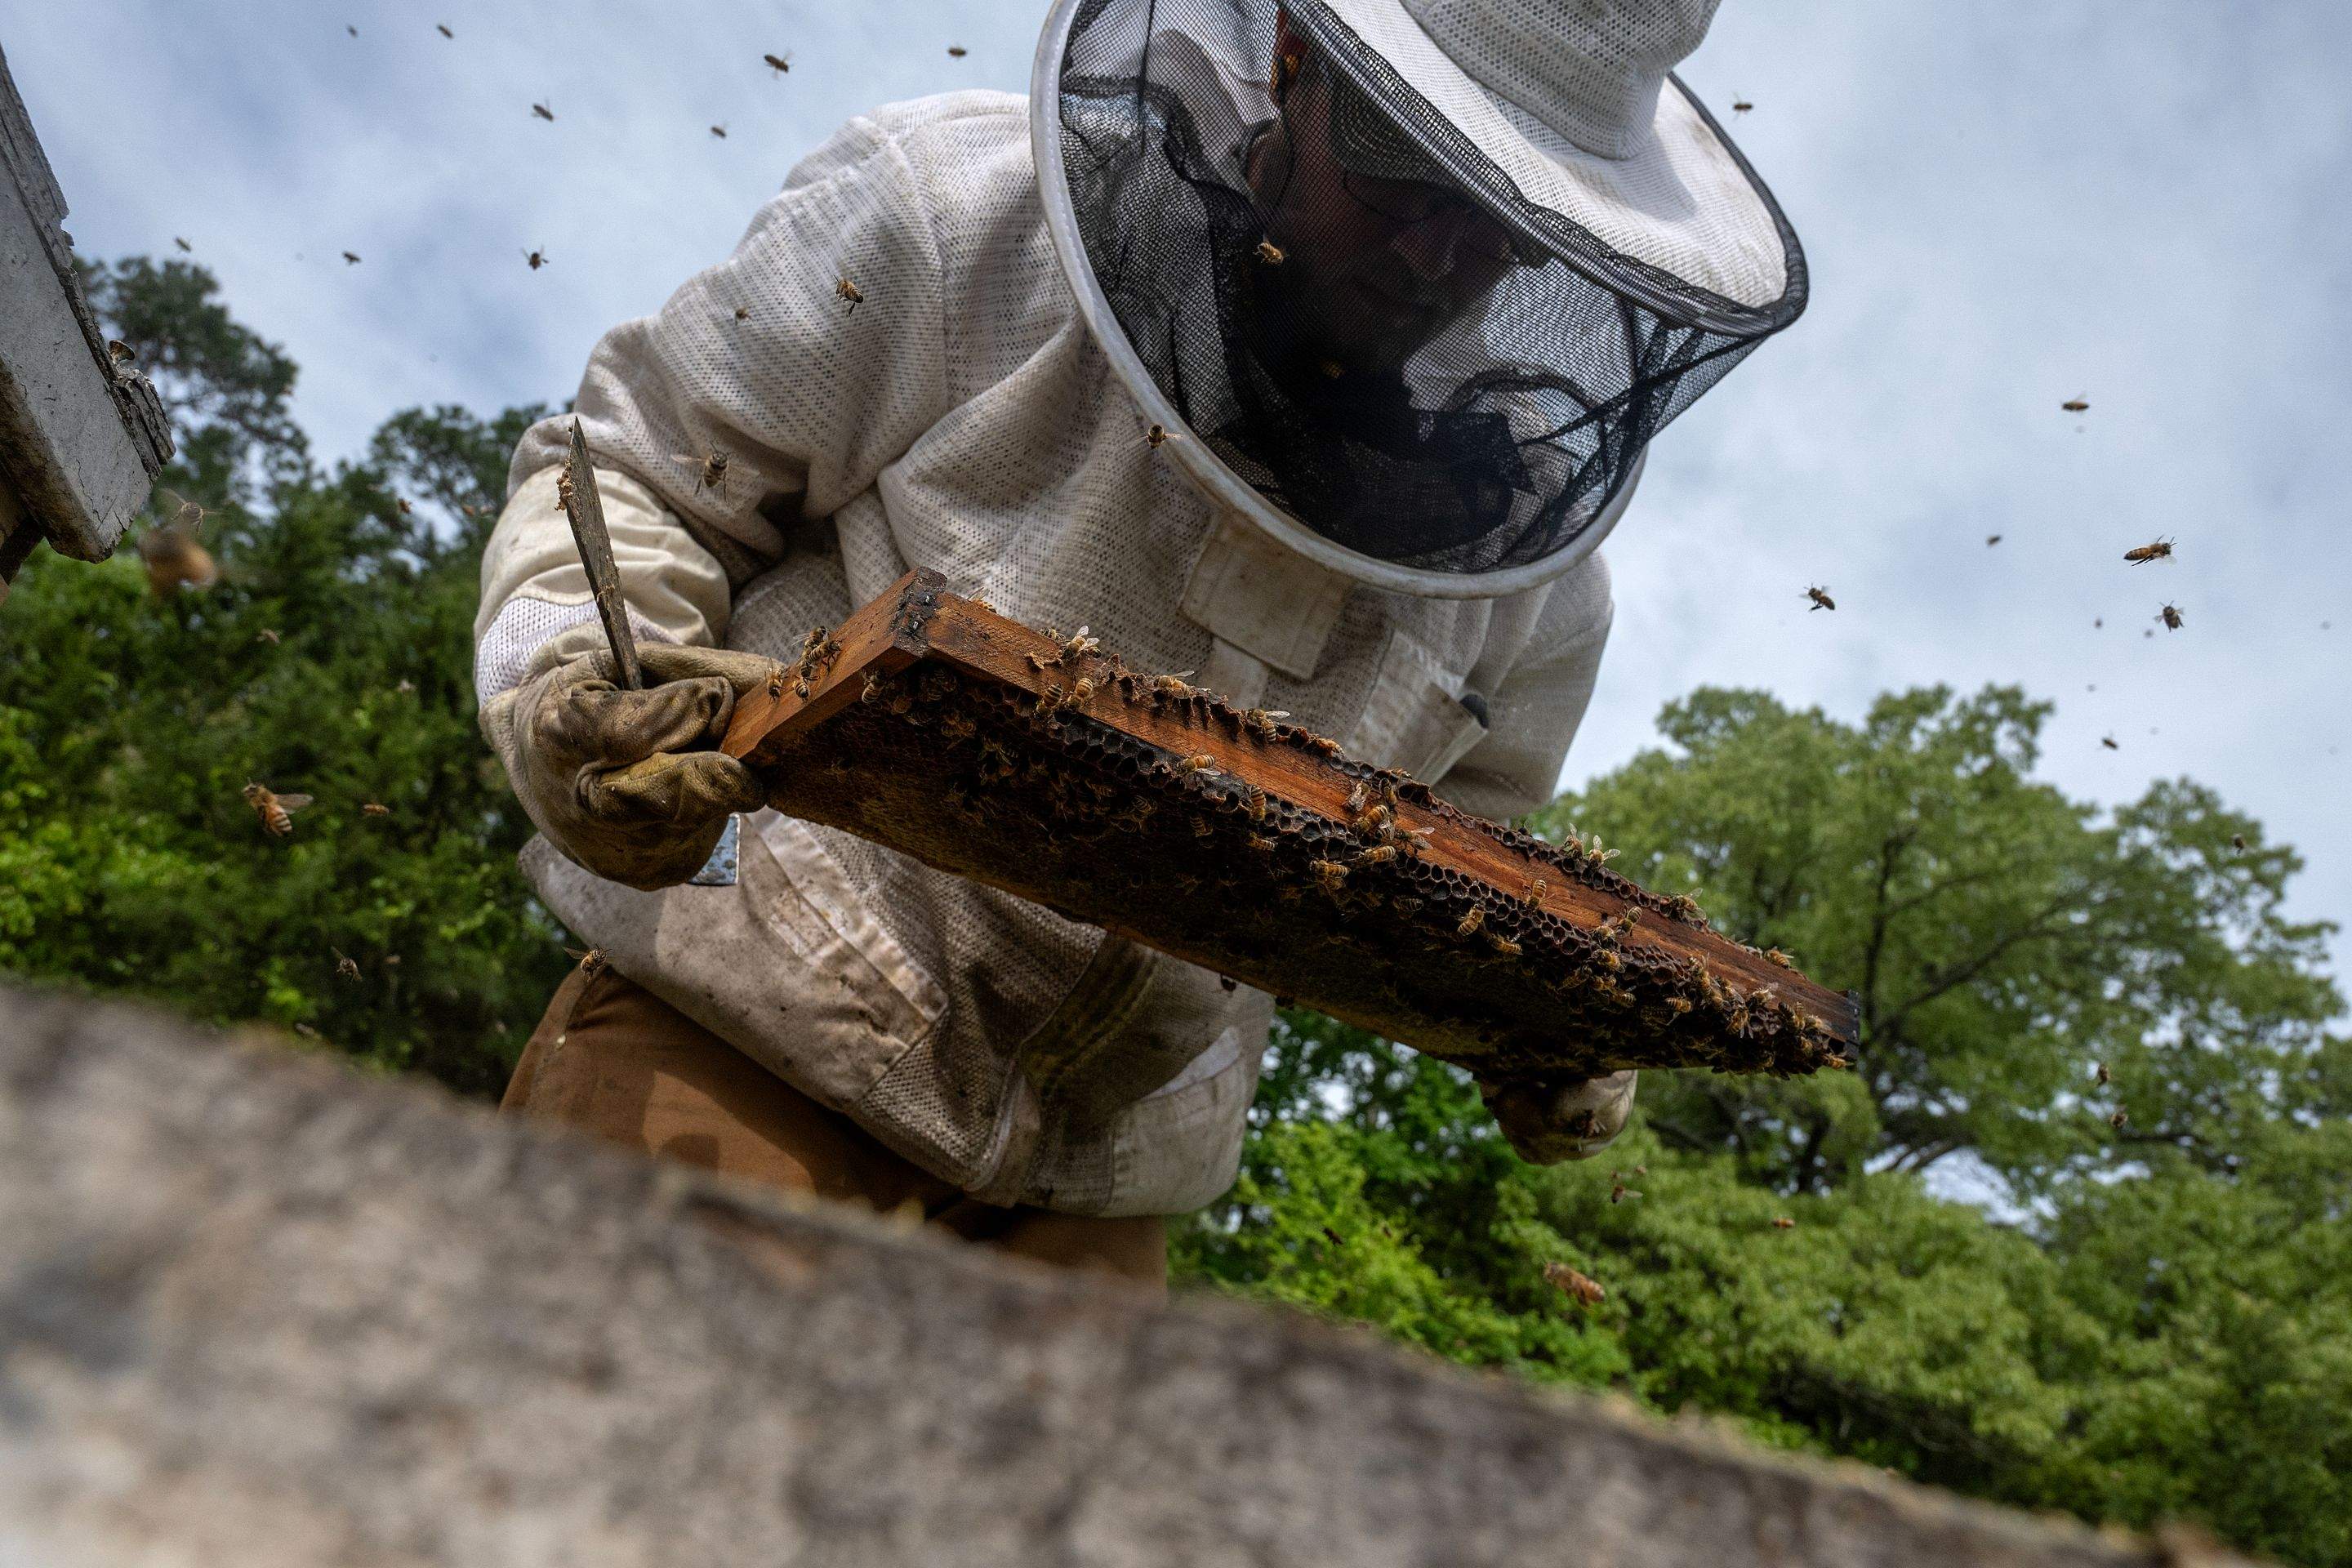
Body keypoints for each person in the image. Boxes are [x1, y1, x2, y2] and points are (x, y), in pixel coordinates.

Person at [476, 0, 1806, 1294]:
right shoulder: (960, 216)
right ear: (1297, 57)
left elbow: (1465, 889)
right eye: (1408, 165)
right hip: (744, 1052)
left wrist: (1556, 1022)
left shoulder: (1529, 580)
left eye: (1509, 221)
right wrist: (575, 691)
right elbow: (637, 477)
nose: (1435, 254)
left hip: (1098, 1206)